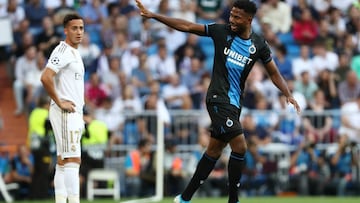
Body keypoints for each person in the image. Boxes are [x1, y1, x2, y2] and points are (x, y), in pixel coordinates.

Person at [135, 1, 301, 203]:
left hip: (234, 104)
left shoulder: (258, 45)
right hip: (217, 98)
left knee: (214, 150)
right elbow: (187, 26)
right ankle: (233, 200)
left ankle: (183, 198)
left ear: (249, 19)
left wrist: (288, 93)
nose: (231, 20)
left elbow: (273, 72)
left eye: (237, 17)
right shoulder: (221, 32)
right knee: (240, 146)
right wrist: (154, 16)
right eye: (231, 15)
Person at [40, 13, 85, 203]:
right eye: (74, 28)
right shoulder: (62, 50)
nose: (79, 32)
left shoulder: (75, 52)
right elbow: (45, 77)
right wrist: (60, 102)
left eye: (81, 28)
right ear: (65, 30)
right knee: (73, 160)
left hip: (73, 112)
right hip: (66, 113)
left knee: (62, 161)